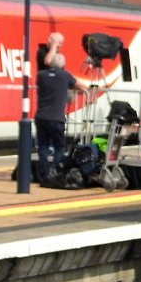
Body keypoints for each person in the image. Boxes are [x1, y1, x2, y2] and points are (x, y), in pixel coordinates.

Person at [34, 32, 90, 183]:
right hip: (56, 118)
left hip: (41, 117)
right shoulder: (65, 76)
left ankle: (45, 174)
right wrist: (91, 90)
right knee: (59, 148)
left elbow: (47, 65)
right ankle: (55, 170)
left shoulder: (40, 76)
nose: (59, 46)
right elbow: (80, 86)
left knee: (43, 147)